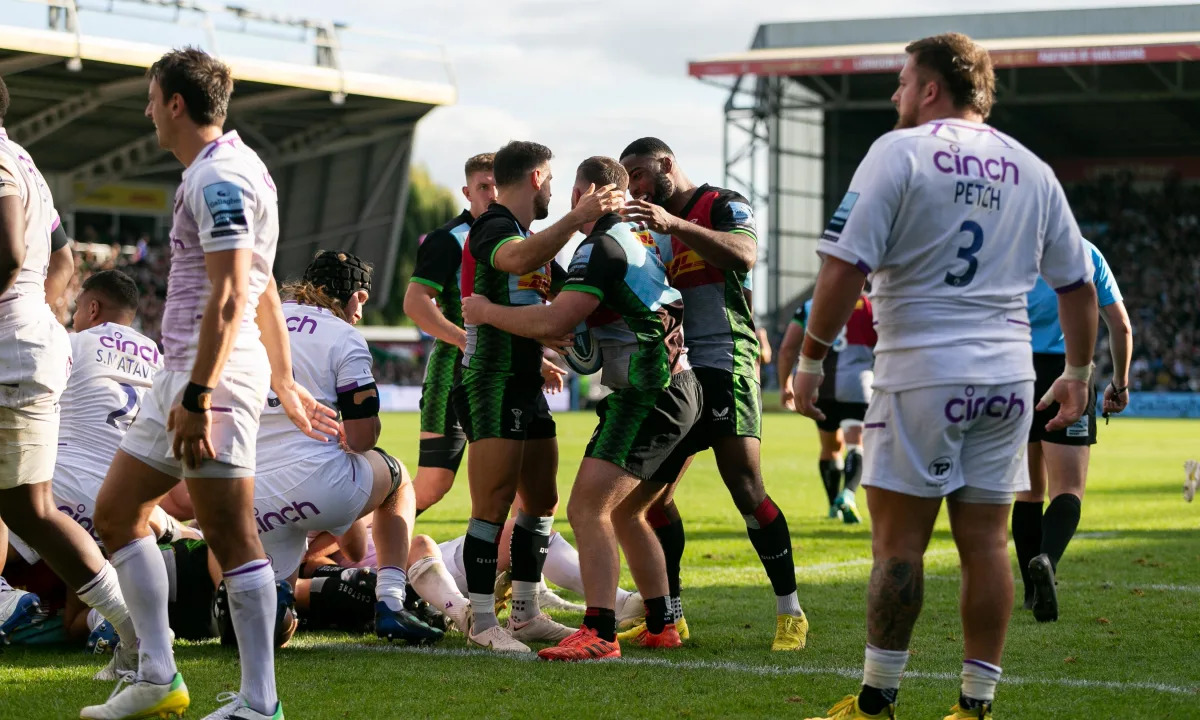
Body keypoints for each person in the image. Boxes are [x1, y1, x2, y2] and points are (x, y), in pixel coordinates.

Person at [795, 33, 1097, 720]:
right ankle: (974, 706)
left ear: (931, 89)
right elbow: (1078, 285)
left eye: (902, 81)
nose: (895, 94)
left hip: (922, 373)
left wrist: (810, 359)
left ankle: (877, 702)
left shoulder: (898, 152)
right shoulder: (1032, 167)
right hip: (1009, 378)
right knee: (988, 543)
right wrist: (1078, 372)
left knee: (899, 544)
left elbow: (843, 268)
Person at [83, 48, 337, 720]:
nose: (145, 111)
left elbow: (230, 295)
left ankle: (260, 701)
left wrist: (200, 394)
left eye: (150, 97)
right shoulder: (232, 167)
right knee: (116, 514)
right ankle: (158, 674)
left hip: (210, 378)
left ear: (174, 103)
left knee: (230, 534)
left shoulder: (219, 176)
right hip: (190, 373)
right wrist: (282, 377)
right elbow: (261, 294)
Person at [465, 156, 699, 660]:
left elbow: (560, 317)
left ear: (582, 194)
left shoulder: (599, 247)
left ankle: (598, 631)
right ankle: (661, 621)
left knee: (587, 508)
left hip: (648, 392)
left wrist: (484, 312)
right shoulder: (631, 240)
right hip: (677, 387)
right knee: (628, 511)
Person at [619, 137, 806, 651]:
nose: (633, 185)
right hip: (679, 377)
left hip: (727, 363)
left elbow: (745, 255)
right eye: (627, 176)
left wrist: (675, 224)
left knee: (744, 485)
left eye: (638, 173)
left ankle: (790, 611)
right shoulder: (649, 231)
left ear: (666, 165)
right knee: (649, 497)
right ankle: (671, 617)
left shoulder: (721, 203)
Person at [451, 140, 622, 652]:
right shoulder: (495, 226)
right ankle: (483, 622)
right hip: (489, 381)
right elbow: (516, 259)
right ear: (535, 177)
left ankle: (525, 612)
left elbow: (568, 297)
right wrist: (577, 218)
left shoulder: (533, 236)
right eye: (551, 179)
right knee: (493, 503)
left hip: (525, 382)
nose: (555, 189)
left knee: (542, 499)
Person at [0, 73, 140, 676]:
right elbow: (60, 254)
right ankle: (133, 628)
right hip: (29, 344)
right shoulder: (22, 158)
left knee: (30, 510)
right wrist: (48, 314)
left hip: (8, 349)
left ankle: (134, 627)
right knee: (27, 509)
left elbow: (8, 252)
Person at [250, 250, 442, 644]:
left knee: (279, 629)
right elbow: (362, 439)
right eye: (362, 300)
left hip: (252, 494)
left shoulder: (257, 324)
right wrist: (344, 432)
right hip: (321, 483)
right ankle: (389, 601)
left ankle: (272, 611)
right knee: (398, 478)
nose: (360, 312)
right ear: (353, 295)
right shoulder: (343, 335)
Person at [1012, 239, 1131, 622]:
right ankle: (1048, 559)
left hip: (1013, 373)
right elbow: (1121, 325)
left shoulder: (1010, 243)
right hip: (1069, 372)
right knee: (1067, 489)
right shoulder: (1086, 252)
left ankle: (1031, 594)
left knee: (1027, 491)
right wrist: (1121, 382)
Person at [404, 153, 496, 513]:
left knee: (516, 485)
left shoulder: (524, 239)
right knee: (432, 484)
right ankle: (342, 550)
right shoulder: (448, 239)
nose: (491, 194)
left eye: (498, 187)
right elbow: (415, 305)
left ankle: (516, 567)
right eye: (483, 187)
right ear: (467, 192)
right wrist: (466, 341)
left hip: (502, 376)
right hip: (452, 373)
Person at [779, 292, 876, 523]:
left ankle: (834, 506)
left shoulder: (810, 305)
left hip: (820, 386)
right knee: (855, 444)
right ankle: (848, 495)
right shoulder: (873, 305)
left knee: (830, 448)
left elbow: (787, 349)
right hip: (857, 384)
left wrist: (785, 384)